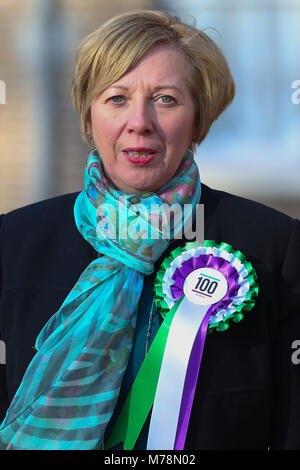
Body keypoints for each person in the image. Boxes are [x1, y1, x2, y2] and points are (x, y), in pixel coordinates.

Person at [0, 10, 299, 451]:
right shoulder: (14, 242)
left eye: (165, 99)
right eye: (117, 98)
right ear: (89, 117)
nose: (139, 122)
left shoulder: (273, 245)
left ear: (198, 119)